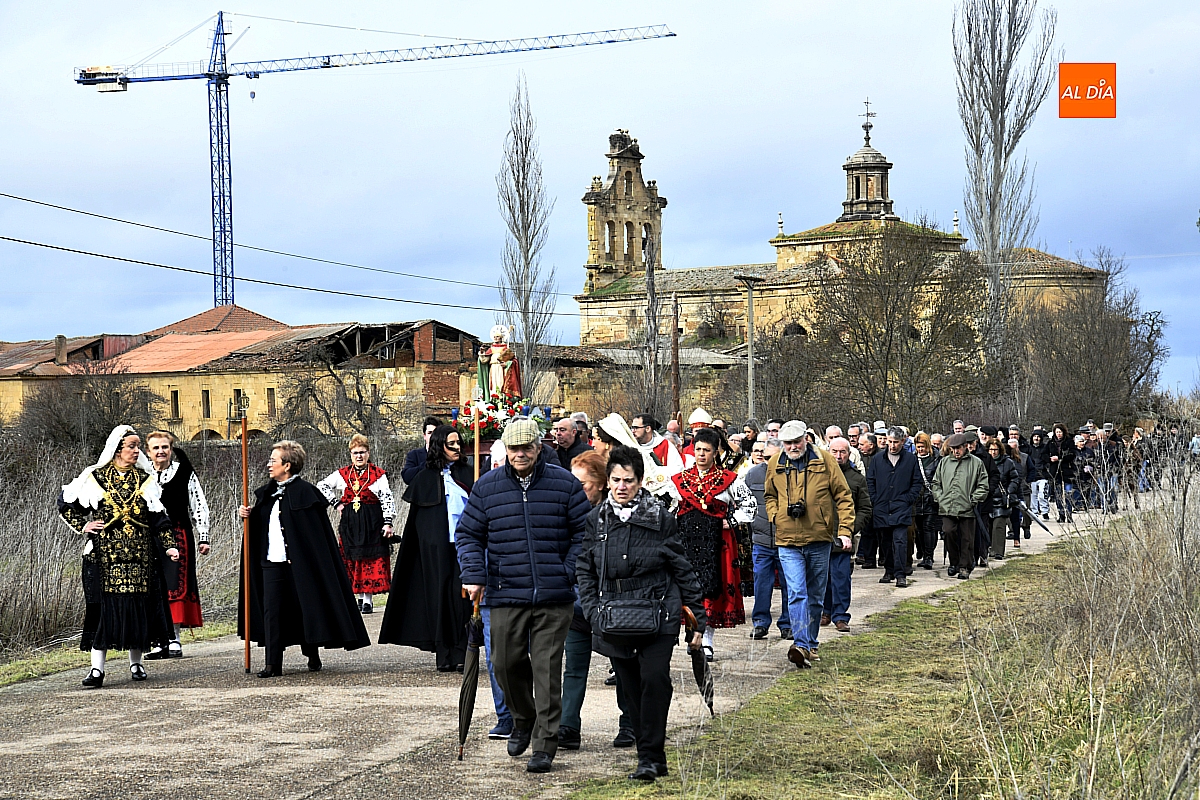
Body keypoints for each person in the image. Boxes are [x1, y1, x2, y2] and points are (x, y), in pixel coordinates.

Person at [456, 418, 590, 774]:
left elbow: (585, 533)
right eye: (513, 449)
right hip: (504, 591)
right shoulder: (487, 488)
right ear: (506, 450)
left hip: (554, 594)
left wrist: (566, 570)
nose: (520, 454)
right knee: (503, 663)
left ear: (538, 448)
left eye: (526, 448)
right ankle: (523, 718)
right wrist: (473, 574)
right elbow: (468, 534)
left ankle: (545, 745)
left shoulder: (565, 485)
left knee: (546, 669)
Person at [576, 446, 707, 782]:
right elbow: (585, 568)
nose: (622, 487)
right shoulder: (596, 519)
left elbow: (683, 568)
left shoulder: (660, 518)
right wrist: (592, 611)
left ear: (640, 481)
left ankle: (650, 756)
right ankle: (649, 753)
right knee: (630, 687)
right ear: (608, 481)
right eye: (616, 480)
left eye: (629, 481)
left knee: (654, 679)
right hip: (614, 616)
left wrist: (698, 621)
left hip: (658, 611)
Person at [59, 426, 180, 688]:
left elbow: (159, 517)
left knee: (137, 610)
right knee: (103, 612)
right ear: (117, 449)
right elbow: (67, 503)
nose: (137, 451)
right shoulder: (95, 477)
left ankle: (136, 663)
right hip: (104, 558)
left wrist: (170, 546)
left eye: (138, 447)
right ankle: (96, 670)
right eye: (131, 446)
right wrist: (84, 526)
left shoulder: (144, 480)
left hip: (140, 558)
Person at [237, 440, 371, 678]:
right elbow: (262, 525)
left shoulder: (307, 493)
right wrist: (248, 514)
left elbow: (315, 536)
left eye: (273, 461)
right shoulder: (266, 494)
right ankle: (272, 663)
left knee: (304, 608)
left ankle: (312, 652)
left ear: (287, 465)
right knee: (272, 611)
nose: (269, 465)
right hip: (271, 563)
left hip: (301, 565)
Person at [378, 425, 474, 671]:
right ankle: (443, 653)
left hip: (463, 546)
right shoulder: (425, 476)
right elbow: (419, 522)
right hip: (435, 549)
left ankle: (462, 652)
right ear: (438, 446)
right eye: (450, 443)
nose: (456, 448)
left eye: (458, 443)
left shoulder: (468, 472)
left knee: (461, 598)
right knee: (438, 597)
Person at [560, 450, 634, 751]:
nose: (577, 491)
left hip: (614, 605)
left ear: (602, 484)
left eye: (583, 484)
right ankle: (567, 726)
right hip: (578, 605)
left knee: (624, 664)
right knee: (574, 666)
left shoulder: (619, 515)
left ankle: (629, 723)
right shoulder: (567, 514)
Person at [765, 420, 854, 667]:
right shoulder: (775, 463)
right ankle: (801, 645)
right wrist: (776, 515)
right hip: (787, 539)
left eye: (796, 442)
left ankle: (810, 644)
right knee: (796, 593)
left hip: (819, 539)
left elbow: (844, 496)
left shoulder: (825, 461)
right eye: (787, 443)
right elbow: (769, 495)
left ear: (806, 439)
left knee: (815, 596)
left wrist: (845, 530)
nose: (792, 447)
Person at [670, 426, 756, 661]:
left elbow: (750, 506)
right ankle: (691, 635)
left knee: (711, 590)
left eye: (706, 450)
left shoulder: (729, 480)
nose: (701, 455)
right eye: (697, 449)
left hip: (718, 544)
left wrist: (731, 520)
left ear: (716, 452)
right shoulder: (680, 480)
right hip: (687, 541)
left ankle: (706, 641)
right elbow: (669, 507)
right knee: (688, 588)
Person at [144, 431, 210, 660]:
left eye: (165, 447)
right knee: (152, 586)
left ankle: (174, 639)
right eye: (156, 448)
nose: (161, 451)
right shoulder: (142, 475)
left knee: (176, 585)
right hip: (148, 537)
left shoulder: (184, 473)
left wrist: (204, 535)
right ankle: (157, 640)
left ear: (171, 449)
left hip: (178, 533)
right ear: (148, 452)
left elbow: (198, 503)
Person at [317, 434, 397, 614]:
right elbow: (322, 485)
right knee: (353, 559)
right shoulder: (343, 474)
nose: (359, 456)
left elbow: (386, 498)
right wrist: (336, 503)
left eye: (362, 452)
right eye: (355, 453)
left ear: (368, 453)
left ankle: (367, 600)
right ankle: (360, 598)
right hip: (350, 523)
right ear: (350, 454)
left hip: (372, 522)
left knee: (368, 559)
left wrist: (388, 522)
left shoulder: (378, 475)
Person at [744, 437, 789, 640]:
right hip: (761, 540)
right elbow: (744, 503)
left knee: (789, 584)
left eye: (773, 457)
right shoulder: (753, 475)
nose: (768, 460)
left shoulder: (791, 473)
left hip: (786, 539)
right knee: (762, 583)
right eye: (765, 456)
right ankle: (761, 623)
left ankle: (787, 624)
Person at [866, 427, 922, 588]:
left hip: (901, 507)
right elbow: (870, 481)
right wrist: (875, 499)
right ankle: (888, 570)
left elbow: (917, 482)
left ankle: (900, 574)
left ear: (903, 441)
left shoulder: (910, 460)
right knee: (885, 542)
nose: (892, 445)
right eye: (890, 442)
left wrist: (908, 499)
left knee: (900, 541)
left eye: (896, 442)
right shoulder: (877, 459)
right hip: (882, 506)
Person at [824, 437, 869, 633]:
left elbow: (865, 508)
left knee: (841, 578)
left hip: (843, 537)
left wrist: (850, 529)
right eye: (834, 452)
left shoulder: (857, 478)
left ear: (849, 454)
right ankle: (824, 612)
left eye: (842, 452)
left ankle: (841, 616)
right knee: (821, 578)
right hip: (821, 536)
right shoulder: (819, 475)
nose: (838, 456)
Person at [930, 433, 990, 580]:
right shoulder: (944, 463)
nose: (956, 451)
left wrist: (973, 499)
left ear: (965, 447)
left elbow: (983, 485)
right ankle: (954, 562)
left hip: (967, 508)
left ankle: (965, 567)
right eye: (953, 448)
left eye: (959, 448)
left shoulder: (976, 463)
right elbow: (936, 483)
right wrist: (940, 498)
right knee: (948, 533)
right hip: (948, 507)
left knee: (967, 539)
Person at [987, 439, 1020, 560]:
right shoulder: (983, 462)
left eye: (995, 449)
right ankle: (989, 548)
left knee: (999, 525)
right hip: (987, 498)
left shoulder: (1008, 463)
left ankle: (998, 551)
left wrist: (1009, 491)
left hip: (1002, 498)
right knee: (988, 526)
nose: (993, 452)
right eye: (990, 449)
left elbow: (1015, 479)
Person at [912, 432, 941, 570]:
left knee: (929, 527)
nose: (920, 449)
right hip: (917, 499)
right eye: (918, 447)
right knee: (918, 530)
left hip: (931, 498)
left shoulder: (936, 459)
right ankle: (923, 552)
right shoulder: (912, 460)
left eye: (922, 446)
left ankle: (929, 556)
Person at [1047, 423, 1076, 523]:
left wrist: (1060, 458)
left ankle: (1069, 514)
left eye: (1060, 432)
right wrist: (1050, 459)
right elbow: (1043, 455)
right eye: (1057, 432)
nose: (1059, 434)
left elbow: (1072, 454)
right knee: (1058, 494)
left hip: (1067, 470)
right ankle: (1061, 514)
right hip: (1055, 472)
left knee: (1068, 493)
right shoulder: (1051, 443)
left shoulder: (1069, 442)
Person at [1007, 435, 1033, 543]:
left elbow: (1032, 470)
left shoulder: (1025, 457)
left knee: (1025, 510)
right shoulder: (1006, 460)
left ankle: (1026, 527)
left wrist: (1027, 481)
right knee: (1011, 513)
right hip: (1011, 489)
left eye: (1014, 447)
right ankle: (1013, 531)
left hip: (1024, 488)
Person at [402, 416, 443, 485]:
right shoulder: (414, 455)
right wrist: (428, 463)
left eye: (435, 433)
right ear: (424, 435)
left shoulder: (448, 454)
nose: (432, 436)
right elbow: (407, 477)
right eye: (429, 433)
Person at [1028, 428, 1050, 520]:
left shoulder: (1045, 448)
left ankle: (1044, 511)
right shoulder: (1029, 449)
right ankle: (1034, 512)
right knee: (1033, 495)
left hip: (1042, 475)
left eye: (1038, 437)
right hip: (1032, 475)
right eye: (1035, 436)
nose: (1036, 438)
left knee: (1042, 494)